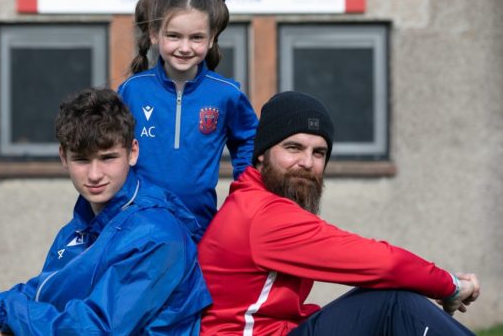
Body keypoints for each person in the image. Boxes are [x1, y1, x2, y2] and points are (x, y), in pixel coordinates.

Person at [0, 87, 212, 335]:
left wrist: (2, 310)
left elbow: (99, 329)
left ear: (132, 152)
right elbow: (43, 294)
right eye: (82, 160)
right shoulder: (79, 228)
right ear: (64, 158)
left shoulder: (157, 234)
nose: (95, 174)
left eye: (108, 158)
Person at [197, 91, 480, 335]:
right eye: (293, 148)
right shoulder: (262, 214)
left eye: (318, 153)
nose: (306, 162)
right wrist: (451, 285)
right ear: (262, 153)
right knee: (392, 303)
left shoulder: (259, 203)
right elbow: (385, 264)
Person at [118, 0, 259, 231]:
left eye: (196, 37)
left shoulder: (227, 94)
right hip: (137, 227)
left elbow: (249, 141)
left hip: (200, 228)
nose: (185, 47)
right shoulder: (132, 90)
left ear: (212, 37)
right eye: (173, 36)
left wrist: (243, 196)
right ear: (153, 33)